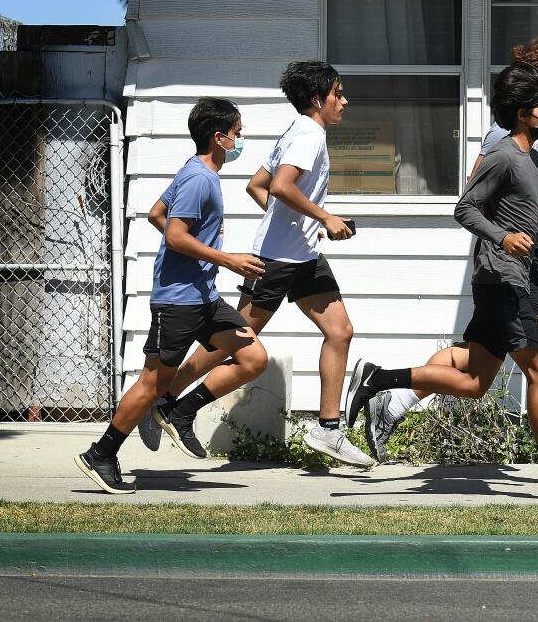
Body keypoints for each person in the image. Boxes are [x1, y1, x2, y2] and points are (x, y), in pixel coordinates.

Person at [343, 63, 538, 499]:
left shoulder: (528, 159)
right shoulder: (504, 154)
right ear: (525, 113)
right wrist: (503, 238)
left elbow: (517, 218)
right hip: (504, 282)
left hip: (509, 277)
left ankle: (379, 379)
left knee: (474, 383)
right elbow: (464, 209)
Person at [138, 61, 372, 468]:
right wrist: (325, 217)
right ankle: (169, 399)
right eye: (338, 94)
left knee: (341, 331)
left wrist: (299, 223)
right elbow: (279, 187)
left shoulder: (299, 132)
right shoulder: (309, 136)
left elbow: (256, 186)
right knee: (230, 343)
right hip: (277, 260)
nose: (344, 102)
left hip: (302, 255)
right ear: (318, 100)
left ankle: (328, 429)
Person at [75, 98, 268, 493]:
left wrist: (201, 259)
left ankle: (179, 412)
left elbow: (155, 214)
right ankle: (102, 453)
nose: (240, 140)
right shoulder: (200, 179)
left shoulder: (195, 172)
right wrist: (225, 259)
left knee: (253, 357)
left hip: (204, 297)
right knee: (151, 383)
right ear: (219, 137)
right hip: (178, 301)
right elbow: (175, 233)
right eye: (238, 133)